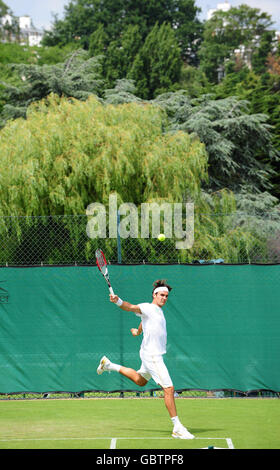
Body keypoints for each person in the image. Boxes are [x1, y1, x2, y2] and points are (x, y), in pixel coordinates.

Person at [97, 279, 194, 440]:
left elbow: (144, 320)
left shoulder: (157, 312)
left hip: (148, 353)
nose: (164, 298)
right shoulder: (148, 307)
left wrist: (138, 331)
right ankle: (177, 427)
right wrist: (118, 301)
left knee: (140, 381)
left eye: (166, 296)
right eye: (161, 295)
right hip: (152, 356)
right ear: (154, 295)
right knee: (169, 389)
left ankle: (108, 365)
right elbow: (130, 307)